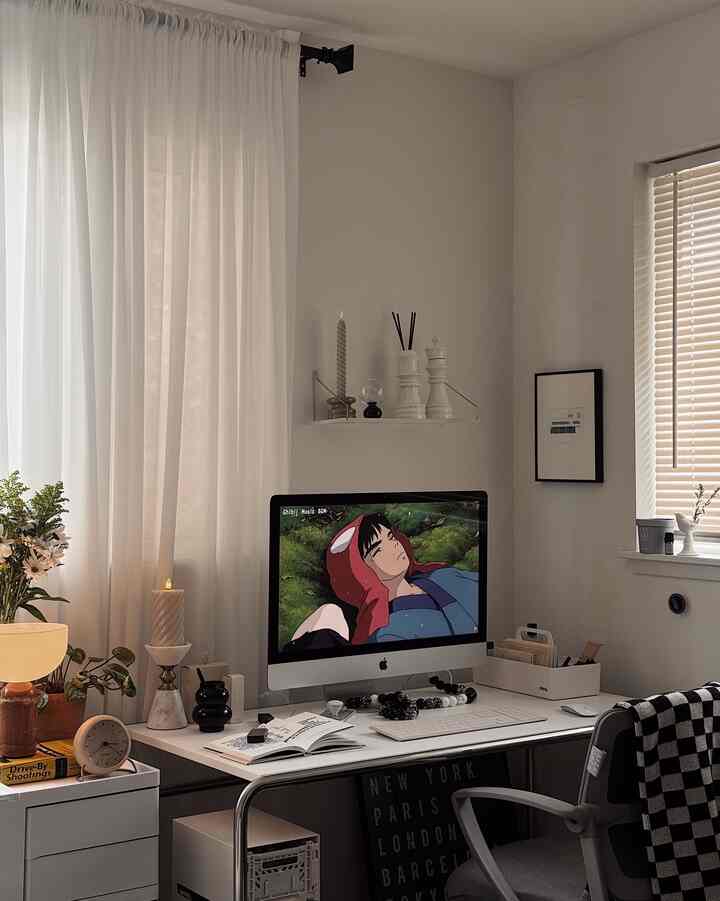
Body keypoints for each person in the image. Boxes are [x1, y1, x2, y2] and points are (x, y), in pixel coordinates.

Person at [284, 512, 478, 652]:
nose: (393, 546)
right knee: (328, 613)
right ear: (361, 572)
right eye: (378, 549)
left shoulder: (440, 576)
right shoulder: (388, 631)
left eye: (391, 537)